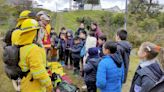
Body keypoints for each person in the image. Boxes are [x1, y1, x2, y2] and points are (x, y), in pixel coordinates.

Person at [15, 19, 53, 92]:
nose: (41, 34)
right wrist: (49, 85)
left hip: (25, 83)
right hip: (34, 86)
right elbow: (39, 73)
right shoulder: (33, 49)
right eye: (39, 31)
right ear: (34, 33)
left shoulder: (22, 47)